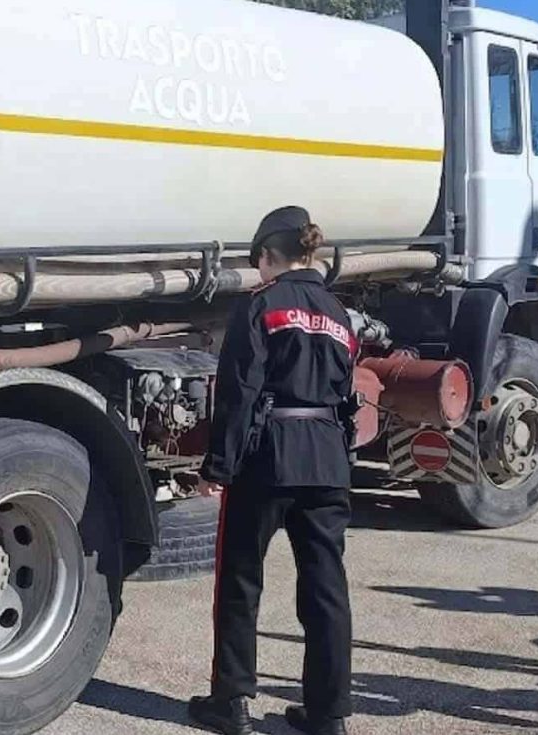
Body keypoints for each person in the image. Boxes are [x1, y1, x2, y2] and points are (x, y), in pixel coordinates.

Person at [188, 205, 355, 735]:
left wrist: (218, 466)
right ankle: (328, 714)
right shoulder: (339, 313)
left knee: (240, 580)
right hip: (327, 458)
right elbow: (347, 390)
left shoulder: (261, 306)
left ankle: (232, 701)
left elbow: (239, 391)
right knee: (326, 591)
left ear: (266, 255)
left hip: (267, 457)